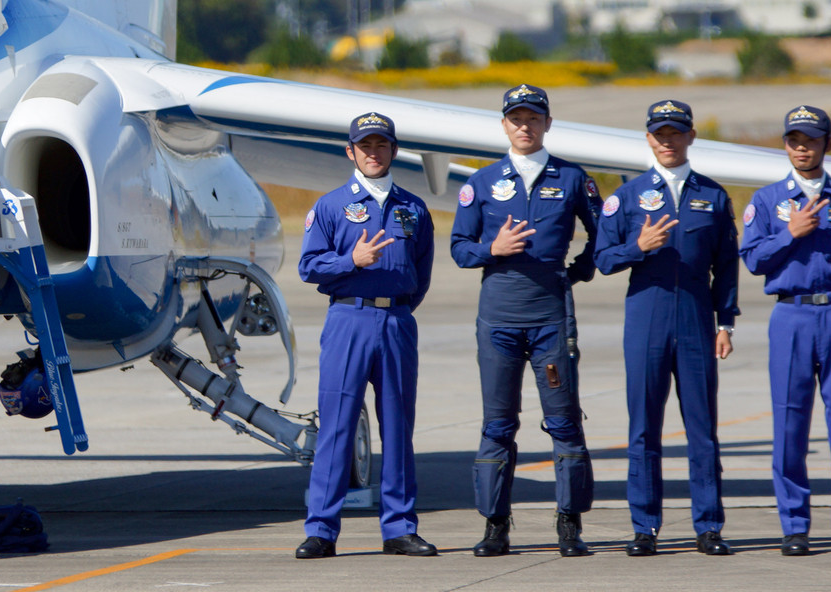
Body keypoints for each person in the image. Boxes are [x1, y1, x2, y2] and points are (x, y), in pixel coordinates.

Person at [451, 83, 599, 558]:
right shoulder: (481, 182)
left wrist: (576, 272)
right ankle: (495, 524)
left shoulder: (573, 178)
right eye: (516, 118)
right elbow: (459, 248)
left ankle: (570, 523)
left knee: (563, 420)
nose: (525, 126)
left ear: (548, 123)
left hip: (551, 318)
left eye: (533, 118)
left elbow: (603, 234)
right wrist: (491, 250)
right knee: (497, 424)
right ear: (504, 125)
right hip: (499, 319)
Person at [595, 99, 739, 557]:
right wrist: (636, 247)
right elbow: (603, 259)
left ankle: (709, 526)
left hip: (696, 317)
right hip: (647, 316)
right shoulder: (627, 196)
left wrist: (725, 322)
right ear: (648, 139)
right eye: (660, 134)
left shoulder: (713, 196)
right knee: (644, 426)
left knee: (702, 427)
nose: (668, 141)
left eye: (676, 132)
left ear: (691, 136)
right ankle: (645, 526)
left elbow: (726, 266)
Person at [738, 105, 831, 556]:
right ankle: (794, 526)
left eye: (811, 140)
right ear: (785, 145)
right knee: (789, 423)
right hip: (791, 316)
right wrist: (791, 233)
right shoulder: (766, 201)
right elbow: (753, 259)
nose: (802, 148)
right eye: (794, 140)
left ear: (827, 144)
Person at [295, 112, 438, 559]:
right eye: (365, 145)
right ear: (350, 151)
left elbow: (421, 273)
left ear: (394, 150)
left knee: (398, 426)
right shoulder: (330, 206)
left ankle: (399, 528)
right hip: (348, 320)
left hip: (396, 322)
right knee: (337, 425)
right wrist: (350, 262)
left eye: (381, 144)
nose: (373, 153)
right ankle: (321, 529)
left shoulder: (414, 208)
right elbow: (308, 266)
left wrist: (395, 309)